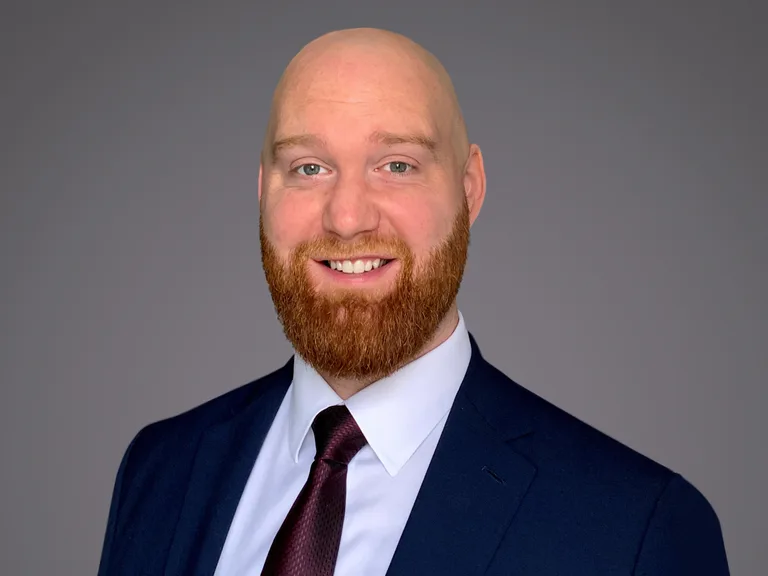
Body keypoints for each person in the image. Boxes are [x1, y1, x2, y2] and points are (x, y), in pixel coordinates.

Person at [97, 28, 730, 575]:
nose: (347, 217)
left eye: (396, 165)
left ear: (469, 189)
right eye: (309, 167)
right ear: (264, 190)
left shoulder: (637, 528)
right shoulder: (160, 469)